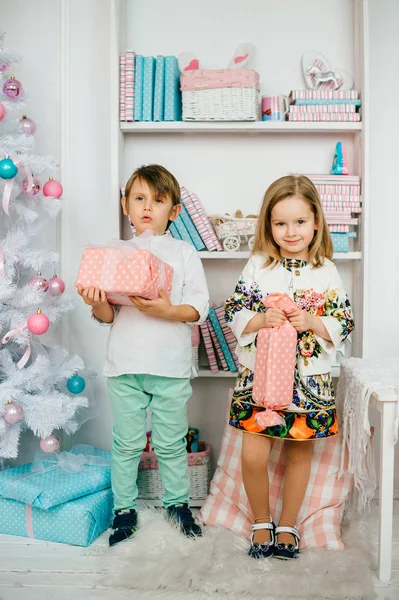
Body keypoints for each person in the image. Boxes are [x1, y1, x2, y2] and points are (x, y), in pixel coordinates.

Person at [78, 164, 209, 546]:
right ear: (125, 206)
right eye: (139, 199)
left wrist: (169, 311)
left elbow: (198, 306)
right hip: (125, 364)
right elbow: (107, 316)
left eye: (158, 199)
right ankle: (124, 509)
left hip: (170, 366)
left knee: (170, 443)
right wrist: (96, 300)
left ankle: (178, 504)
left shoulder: (183, 253)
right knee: (127, 443)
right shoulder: (115, 253)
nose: (147, 207)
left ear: (175, 211)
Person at [225, 175, 354, 560]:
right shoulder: (257, 266)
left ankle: (289, 525)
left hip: (308, 382)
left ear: (316, 222)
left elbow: (343, 319)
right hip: (260, 378)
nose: (291, 231)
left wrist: (313, 323)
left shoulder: (326, 270)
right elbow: (233, 309)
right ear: (268, 225)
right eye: (280, 223)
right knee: (253, 454)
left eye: (299, 222)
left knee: (299, 454)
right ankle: (261, 520)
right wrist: (260, 320)